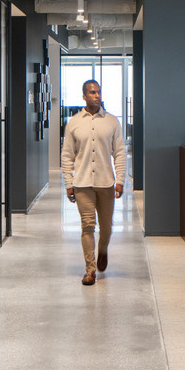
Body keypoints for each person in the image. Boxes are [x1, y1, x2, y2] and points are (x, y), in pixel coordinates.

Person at [60, 79, 127, 285]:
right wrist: (69, 183)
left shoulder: (112, 122)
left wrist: (120, 180)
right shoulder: (74, 123)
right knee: (88, 226)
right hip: (82, 184)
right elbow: (67, 155)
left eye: (98, 92)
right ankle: (90, 270)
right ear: (84, 96)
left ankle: (103, 250)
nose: (96, 95)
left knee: (106, 227)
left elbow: (120, 153)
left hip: (106, 183)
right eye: (92, 92)